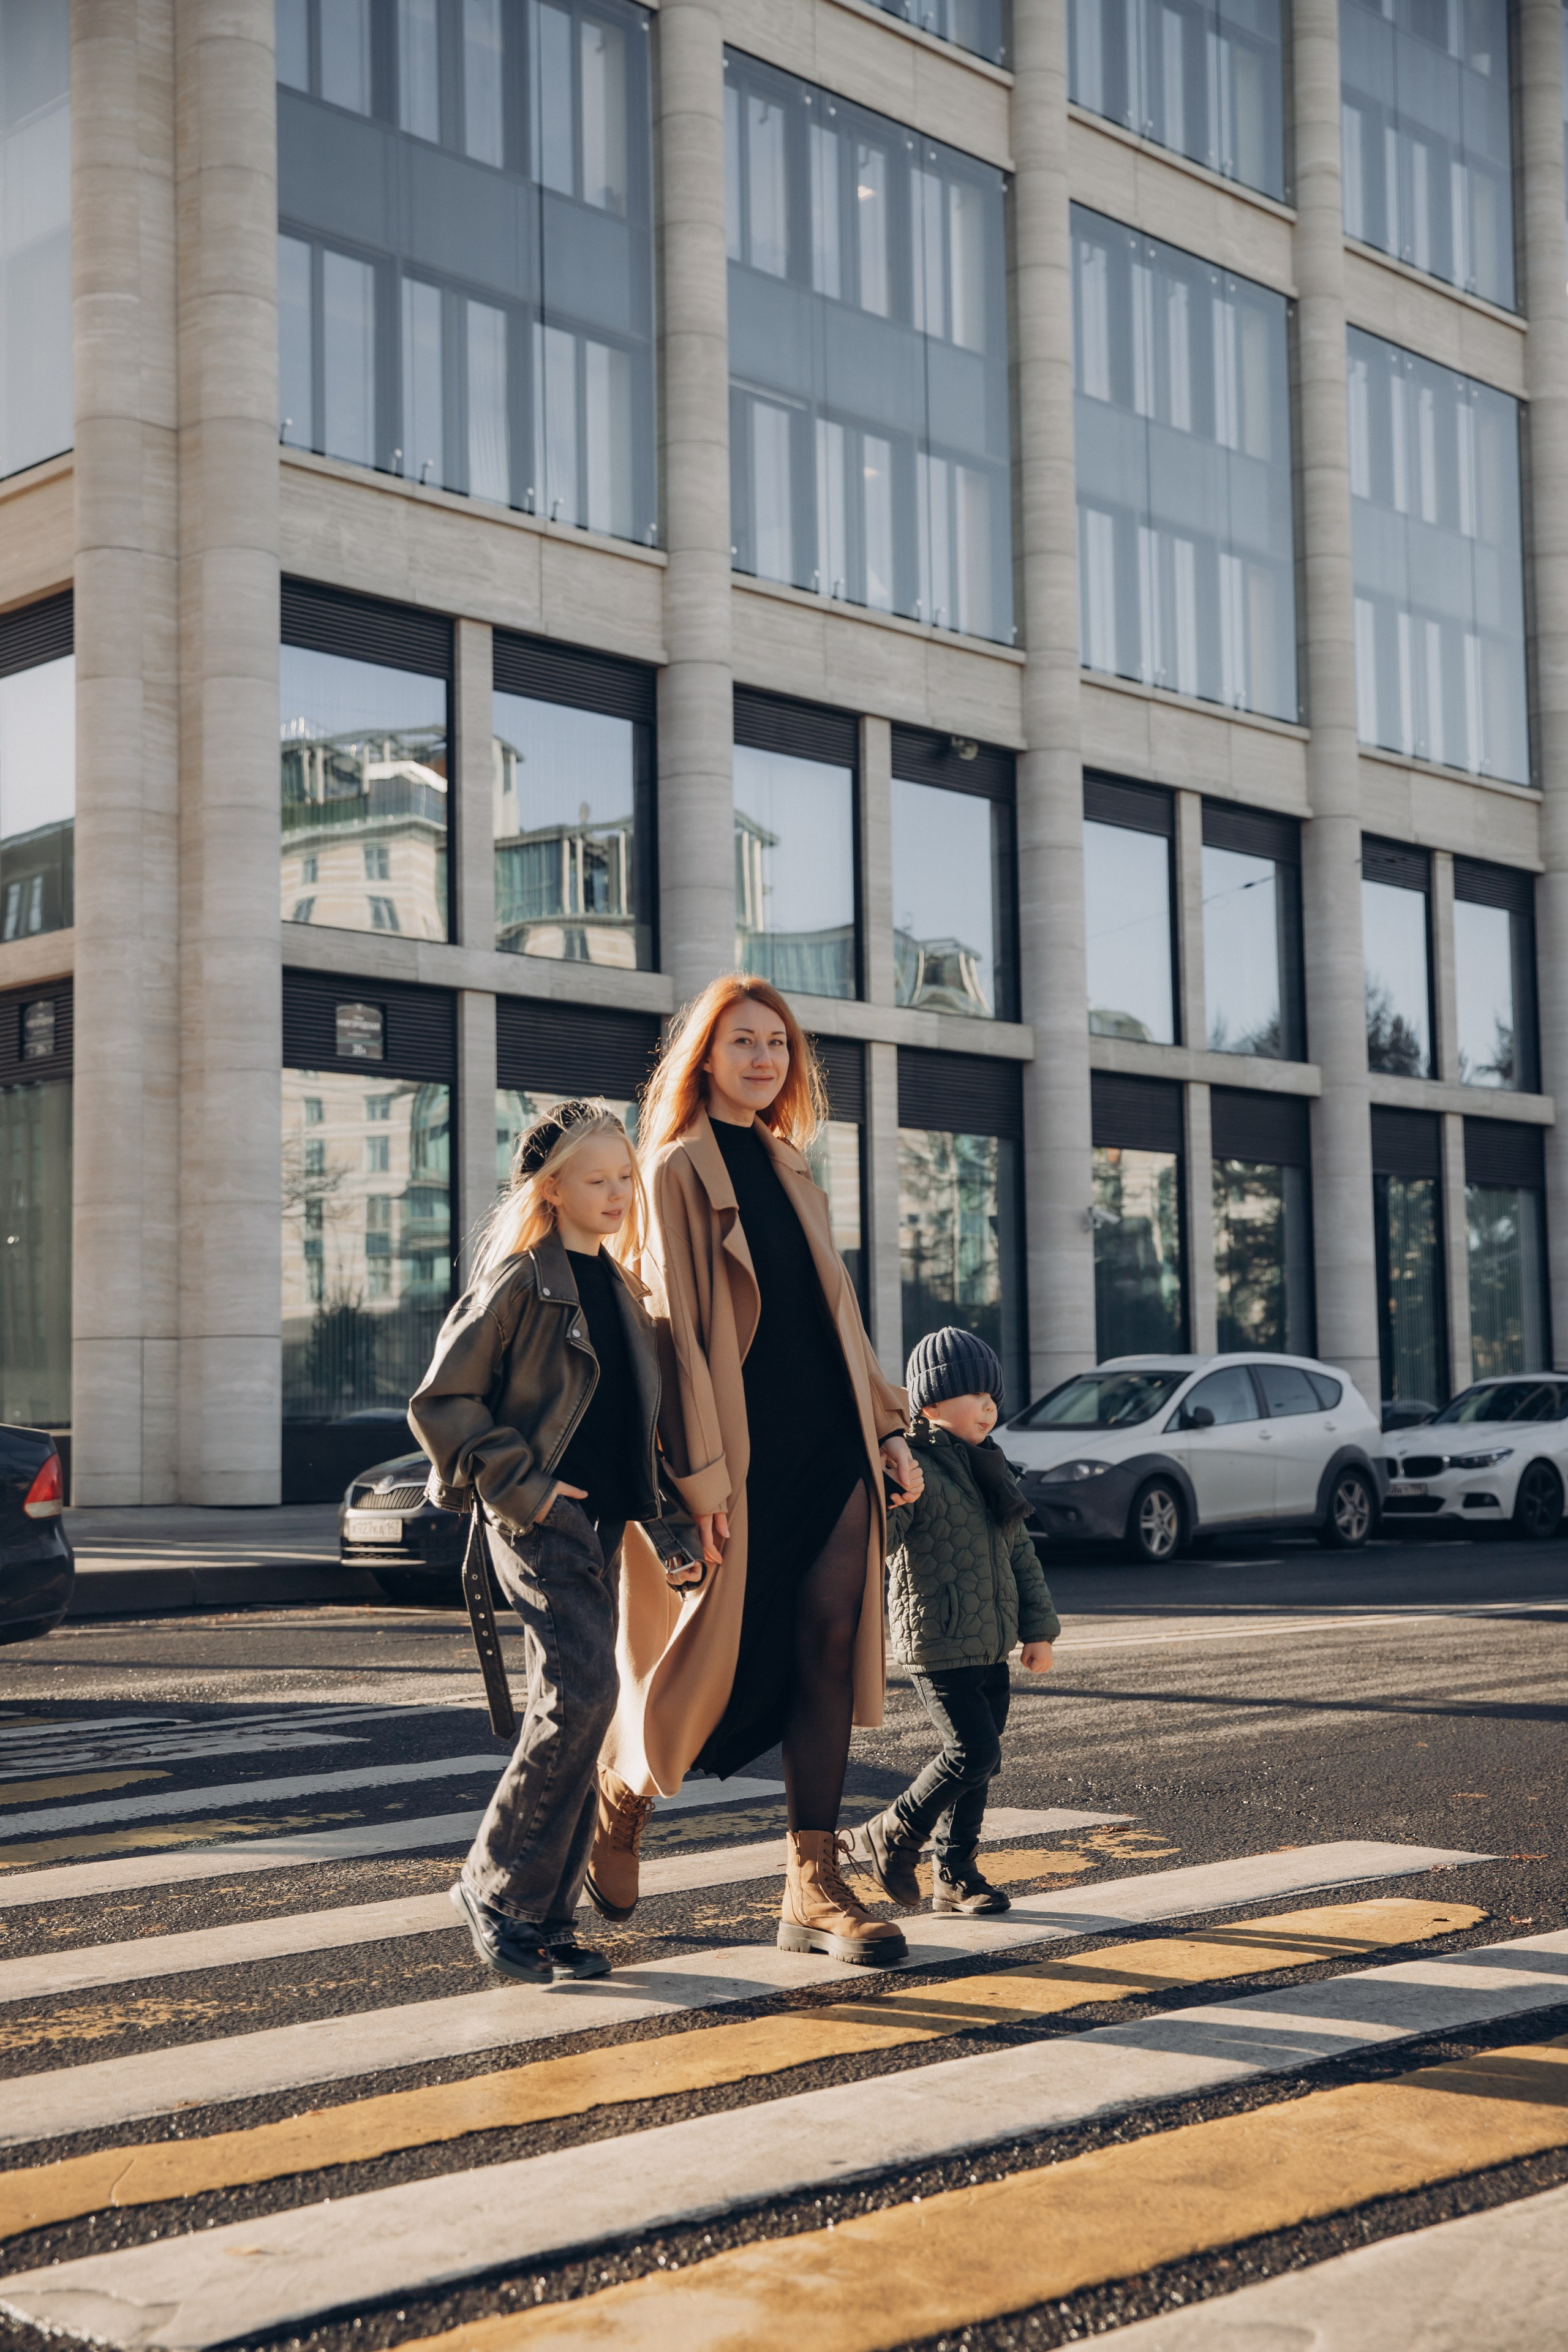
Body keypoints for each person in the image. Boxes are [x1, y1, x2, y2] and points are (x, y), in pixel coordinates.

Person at [589, 974, 924, 1967]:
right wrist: (696, 1481)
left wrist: (888, 1427)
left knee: (828, 1643)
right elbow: (671, 1334)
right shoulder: (672, 1169)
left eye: (778, 1044)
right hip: (737, 1454)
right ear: (704, 1056)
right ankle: (621, 1789)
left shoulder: (788, 1163)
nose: (765, 1059)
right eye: (743, 1041)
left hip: (830, 1441)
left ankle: (812, 1883)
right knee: (702, 1662)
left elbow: (837, 1314)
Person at [409, 1099, 663, 1985]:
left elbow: (635, 1424)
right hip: (542, 1519)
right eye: (597, 1180)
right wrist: (528, 1486)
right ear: (552, 1190)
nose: (617, 1193)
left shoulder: (622, 1288)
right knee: (582, 1693)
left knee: (583, 1704)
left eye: (625, 1177)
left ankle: (545, 1918)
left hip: (603, 1525)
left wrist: (671, 1523)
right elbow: (443, 1402)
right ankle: (496, 1889)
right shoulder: (522, 1281)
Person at [851, 1327, 1060, 1916]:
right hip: (938, 1638)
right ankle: (891, 1832)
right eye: (974, 1396)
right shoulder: (910, 1464)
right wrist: (892, 1496)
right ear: (930, 1404)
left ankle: (956, 1876)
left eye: (993, 1397)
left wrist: (1038, 1630)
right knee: (972, 1753)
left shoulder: (992, 1466)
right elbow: (879, 1542)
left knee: (981, 1765)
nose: (989, 1408)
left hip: (990, 1641)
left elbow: (1021, 1554)